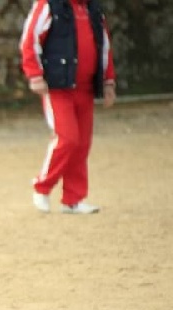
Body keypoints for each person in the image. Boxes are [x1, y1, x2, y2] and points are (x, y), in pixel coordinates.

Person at [20, 0, 116, 214]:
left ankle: (74, 198)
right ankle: (42, 187)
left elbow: (104, 46)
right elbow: (30, 40)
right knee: (67, 139)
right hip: (57, 88)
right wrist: (34, 75)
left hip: (85, 88)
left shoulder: (93, 9)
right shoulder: (48, 5)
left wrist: (108, 81)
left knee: (82, 144)